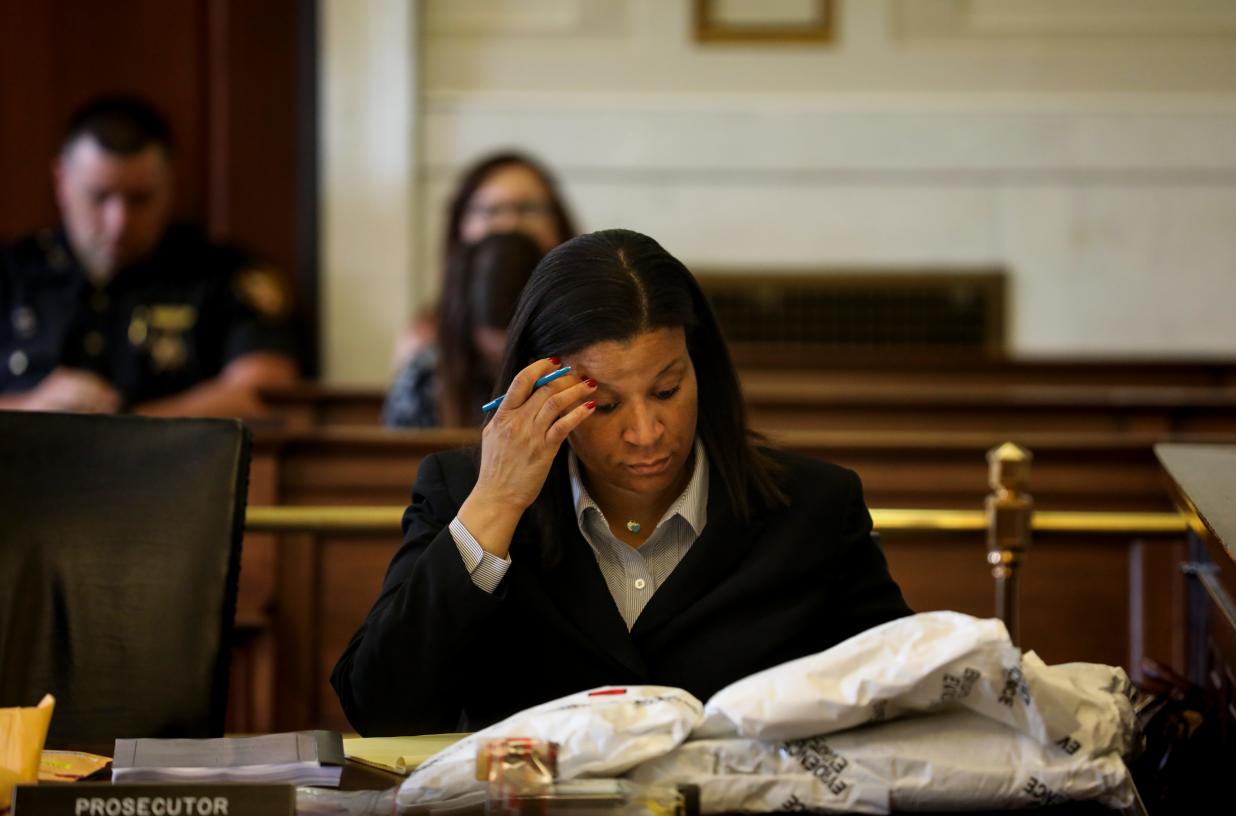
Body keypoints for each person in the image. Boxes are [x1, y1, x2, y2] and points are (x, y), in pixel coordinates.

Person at [333, 229, 911, 735]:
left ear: (700, 369)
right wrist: (499, 502)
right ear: (541, 391)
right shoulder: (466, 494)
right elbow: (384, 712)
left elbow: (907, 693)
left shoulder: (814, 507)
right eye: (604, 405)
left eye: (666, 391)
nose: (645, 432)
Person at [0, 96, 299, 416]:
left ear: (170, 185)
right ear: (62, 181)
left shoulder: (224, 275)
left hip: (177, 463)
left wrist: (131, 430)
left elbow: (266, 389)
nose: (118, 222)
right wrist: (28, 411)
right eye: (98, 197)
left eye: (140, 199)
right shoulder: (10, 273)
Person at [390, 151, 576, 371]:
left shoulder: (590, 330)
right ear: (460, 227)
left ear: (558, 224)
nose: (509, 223)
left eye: (527, 208)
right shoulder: (424, 344)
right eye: (489, 210)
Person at [382, 231, 543, 428]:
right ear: (465, 325)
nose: (504, 359)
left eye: (516, 345)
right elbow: (395, 453)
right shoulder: (424, 377)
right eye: (491, 353)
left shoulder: (561, 369)